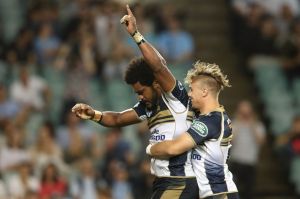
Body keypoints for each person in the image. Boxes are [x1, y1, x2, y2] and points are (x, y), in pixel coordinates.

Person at [71, 5, 198, 199]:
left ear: (156, 84)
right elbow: (117, 120)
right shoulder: (147, 107)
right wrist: (93, 114)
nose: (139, 96)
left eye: (141, 91)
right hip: (162, 182)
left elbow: (158, 65)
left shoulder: (175, 96)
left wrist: (136, 35)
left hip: (182, 180)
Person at [146, 62, 239, 199]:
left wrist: (150, 149)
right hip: (214, 193)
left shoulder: (210, 121)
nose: (189, 94)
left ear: (204, 91)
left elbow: (173, 148)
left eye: (191, 89)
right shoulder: (214, 117)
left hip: (218, 193)